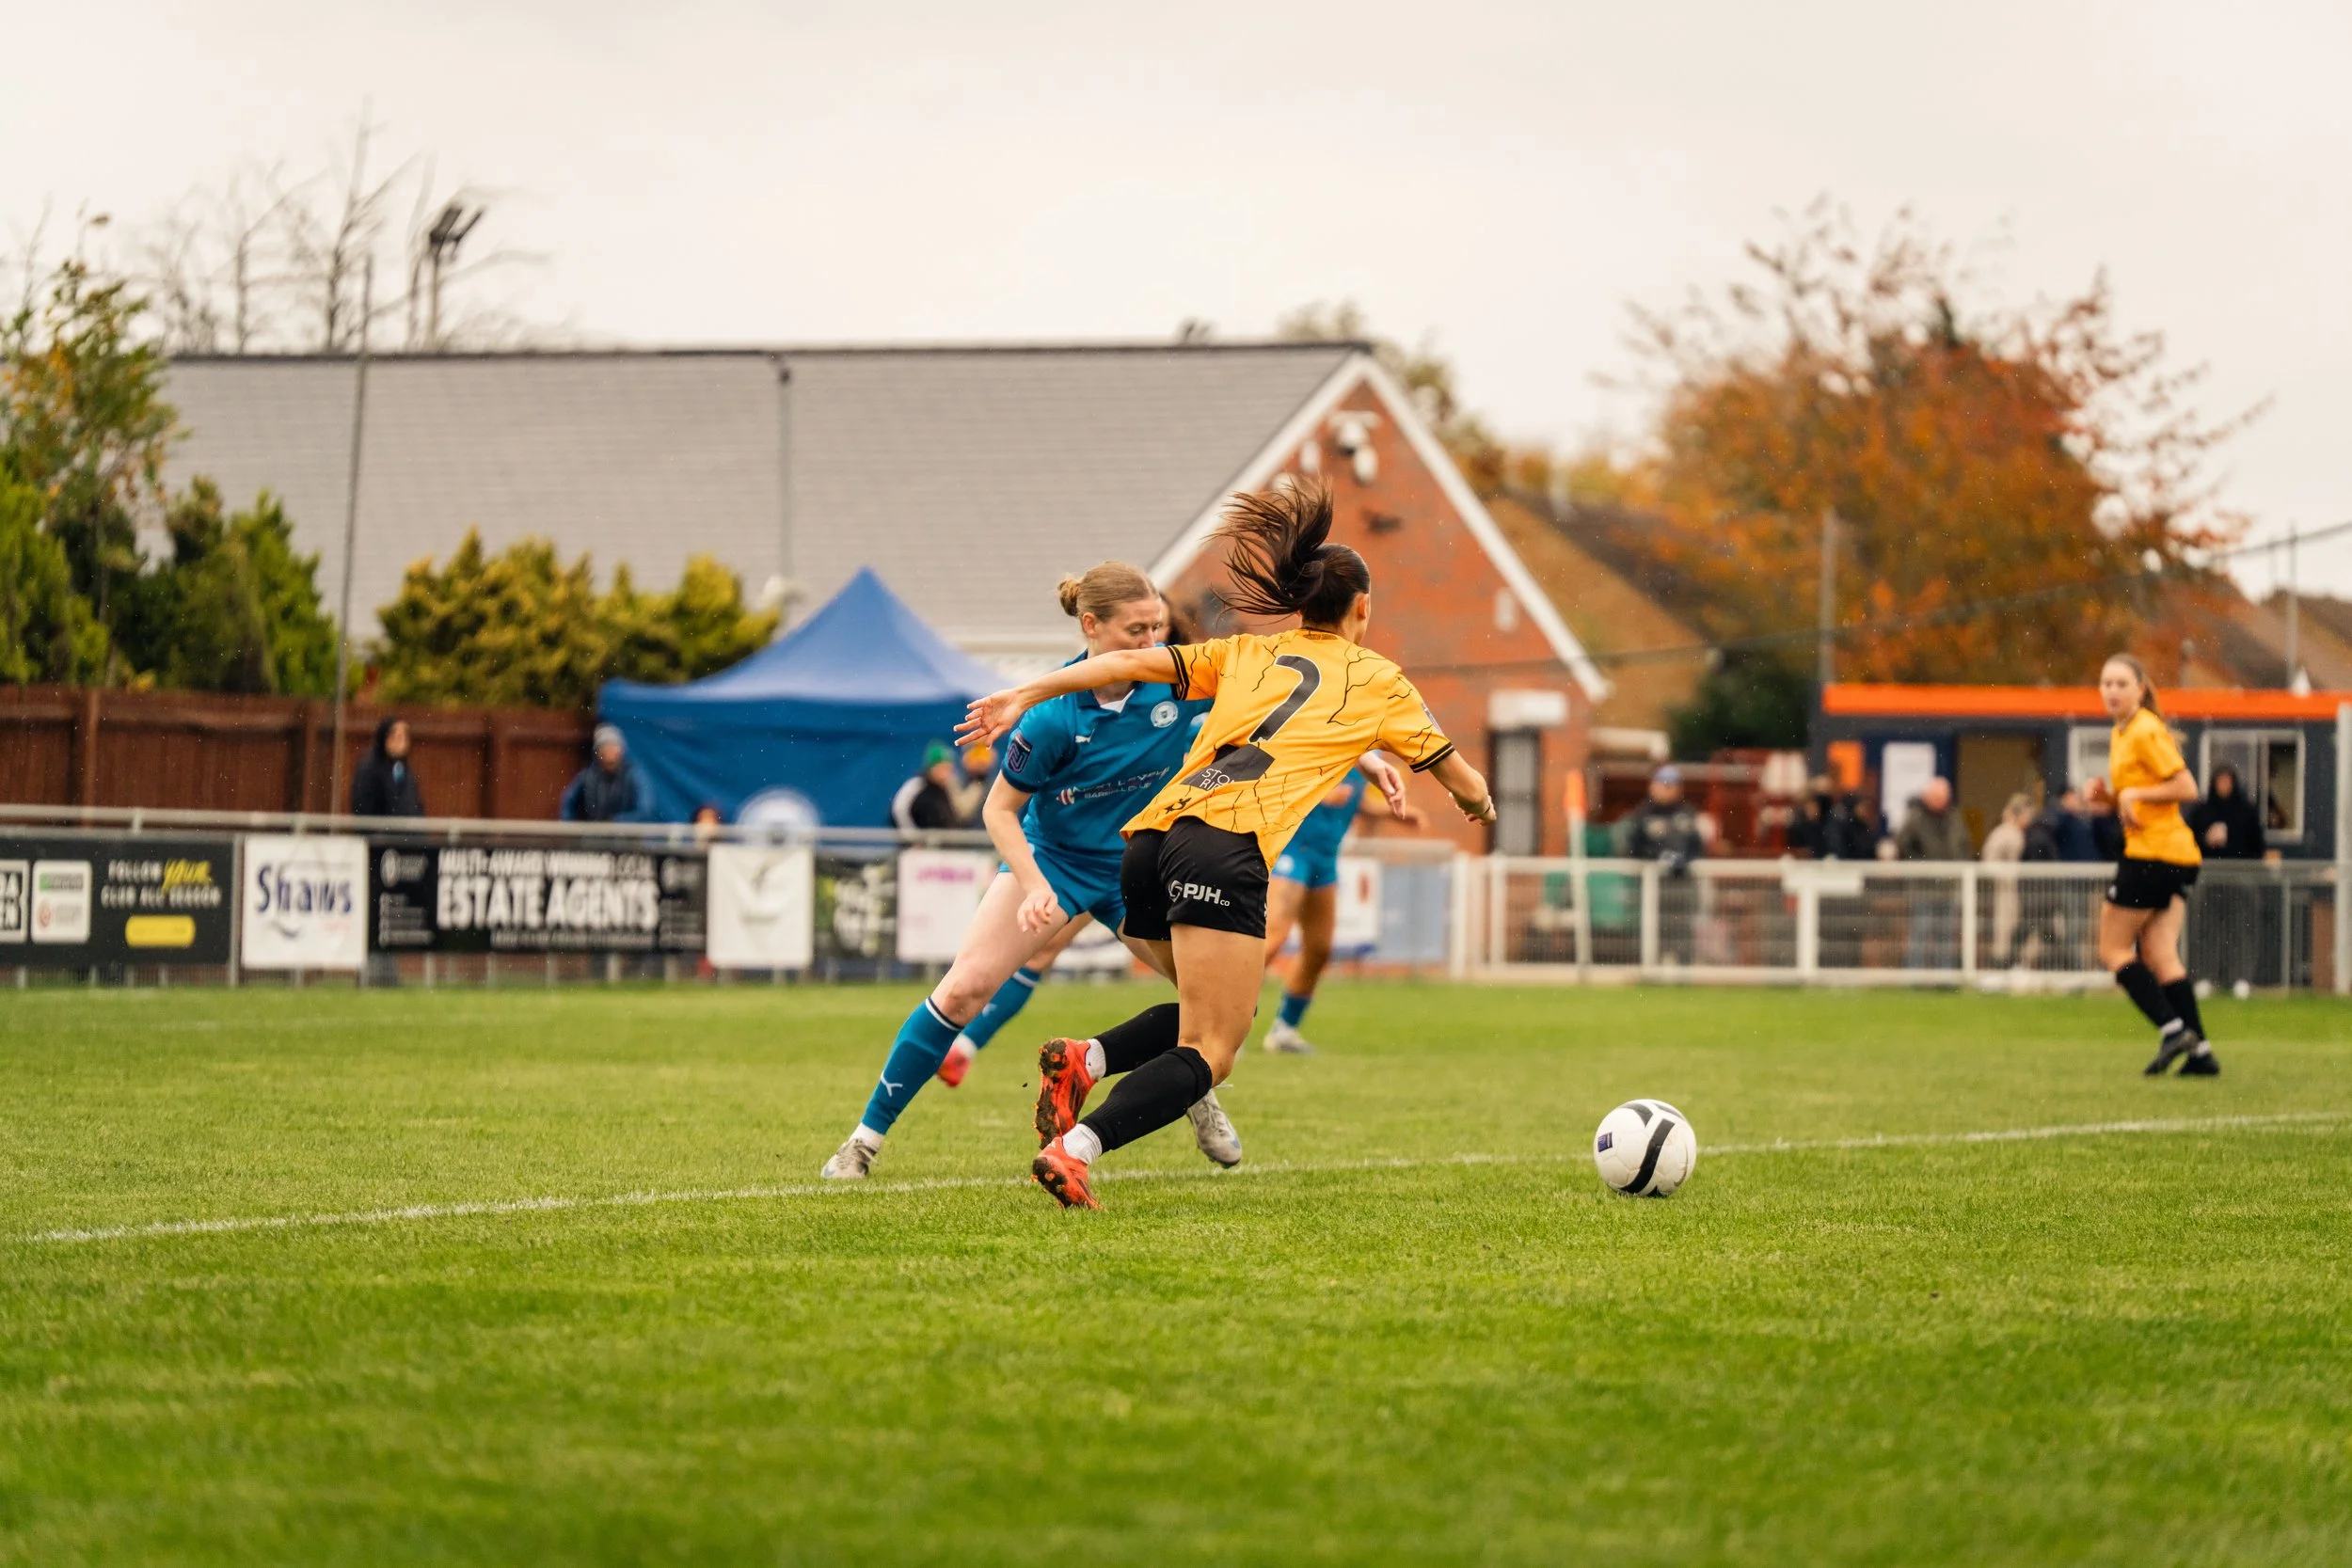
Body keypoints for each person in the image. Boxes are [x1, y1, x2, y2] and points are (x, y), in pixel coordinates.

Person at [958, 479, 1495, 1210]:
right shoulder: (1378, 679)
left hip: (1149, 841)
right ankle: (1074, 1148)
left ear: (1300, 604)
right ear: (1361, 608)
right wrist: (1479, 799)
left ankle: (1089, 1058)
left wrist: (1027, 691)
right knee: (1214, 1050)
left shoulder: (1243, 652)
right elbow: (1459, 778)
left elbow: (1121, 667)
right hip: (1225, 848)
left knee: (1199, 1014)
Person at [818, 561, 1410, 1180]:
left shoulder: (1174, 681)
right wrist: (1036, 885)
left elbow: (1279, 703)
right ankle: (860, 1143)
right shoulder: (1051, 715)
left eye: (1158, 626)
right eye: (1137, 631)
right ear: (1092, 626)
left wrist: (1365, 757)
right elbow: (999, 811)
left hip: (1136, 863)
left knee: (1214, 1007)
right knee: (964, 989)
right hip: (1055, 860)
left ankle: (1194, 1091)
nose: (1154, 643)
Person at [2088, 654, 2215, 1076]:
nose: (2112, 691)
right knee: (2161, 955)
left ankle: (2173, 1028)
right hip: (2173, 856)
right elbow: (2137, 800)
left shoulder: (2143, 728)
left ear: (2141, 689)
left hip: (2153, 856)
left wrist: (2133, 795)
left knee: (2112, 949)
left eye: (2121, 683)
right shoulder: (2121, 732)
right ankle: (2201, 1054)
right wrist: (2109, 798)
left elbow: (2187, 786)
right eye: (2106, 683)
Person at [1260, 765, 1424, 1054]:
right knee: (1273, 938)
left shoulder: (1369, 751)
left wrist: (1390, 812)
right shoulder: (1324, 729)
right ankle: (1217, 1024)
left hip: (1325, 859)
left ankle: (1284, 1030)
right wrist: (1318, 793)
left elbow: (1356, 799)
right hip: (1293, 849)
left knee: (1319, 948)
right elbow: (1278, 778)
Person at [1979, 792, 2034, 968]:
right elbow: (1989, 862)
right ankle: (2001, 968)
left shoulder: (2026, 833)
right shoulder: (2002, 833)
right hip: (2007, 891)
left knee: (2024, 932)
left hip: (2024, 891)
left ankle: (2020, 966)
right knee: (2005, 930)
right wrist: (2007, 875)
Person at [561, 724, 655, 823]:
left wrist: (618, 822)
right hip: (593, 833)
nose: (609, 753)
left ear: (621, 751)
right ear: (598, 752)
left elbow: (645, 809)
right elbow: (568, 802)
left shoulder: (634, 775)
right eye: (604, 748)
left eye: (613, 747)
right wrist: (570, 826)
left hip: (625, 834)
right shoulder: (588, 776)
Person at [1619, 766, 1704, 868]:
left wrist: (1684, 859)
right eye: (1663, 784)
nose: (1667, 790)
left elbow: (1697, 847)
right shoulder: (1640, 814)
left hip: (1684, 878)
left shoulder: (1689, 814)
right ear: (1652, 786)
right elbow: (1632, 849)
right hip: (1650, 877)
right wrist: (1659, 857)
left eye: (1672, 785)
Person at [348, 717, 426, 817]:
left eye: (403, 737)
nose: (400, 742)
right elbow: (363, 806)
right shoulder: (369, 768)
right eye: (395, 737)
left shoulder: (405, 769)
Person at [2186, 763, 2266, 861]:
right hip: (2209, 866)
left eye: (2227, 782)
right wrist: (2206, 840)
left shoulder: (2246, 812)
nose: (2224, 786)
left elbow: (2256, 844)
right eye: (2220, 782)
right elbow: (2190, 841)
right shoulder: (2201, 811)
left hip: (2240, 868)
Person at [889, 742, 965, 832]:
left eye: (949, 769)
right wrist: (912, 838)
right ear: (932, 767)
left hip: (943, 844)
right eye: (943, 768)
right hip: (920, 843)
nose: (947, 773)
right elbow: (899, 810)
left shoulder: (946, 788)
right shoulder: (917, 784)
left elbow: (956, 816)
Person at [1895, 776, 1971, 862]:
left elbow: (1964, 844)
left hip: (1953, 871)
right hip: (1923, 872)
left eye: (1943, 798)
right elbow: (1903, 847)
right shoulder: (1914, 819)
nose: (1940, 802)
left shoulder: (1955, 819)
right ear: (1927, 797)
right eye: (1936, 798)